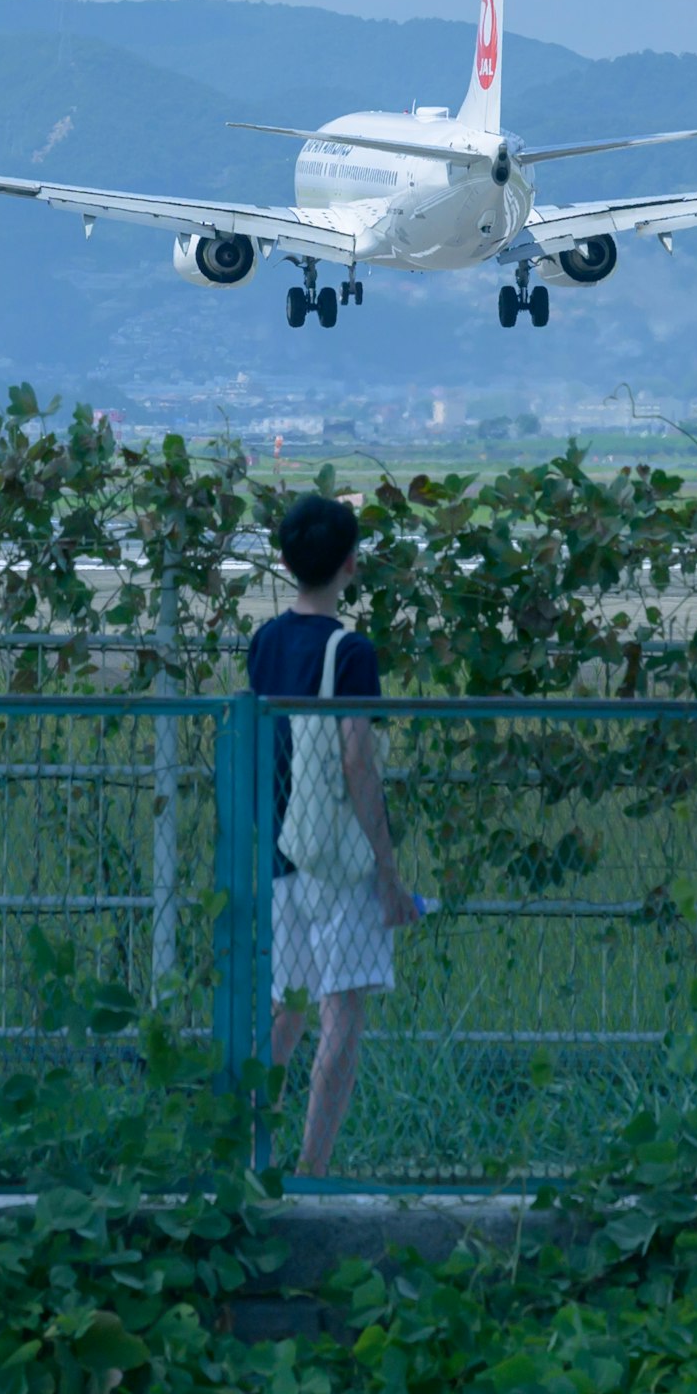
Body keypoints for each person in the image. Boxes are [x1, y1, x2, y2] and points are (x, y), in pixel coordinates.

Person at [248, 491, 421, 1177]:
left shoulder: (264, 642)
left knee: (283, 1006)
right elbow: (356, 758)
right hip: (338, 856)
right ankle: (312, 1173)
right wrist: (388, 869)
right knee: (341, 1013)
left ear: (286, 561)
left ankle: (252, 1156)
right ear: (352, 564)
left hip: (281, 849)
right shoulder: (350, 651)